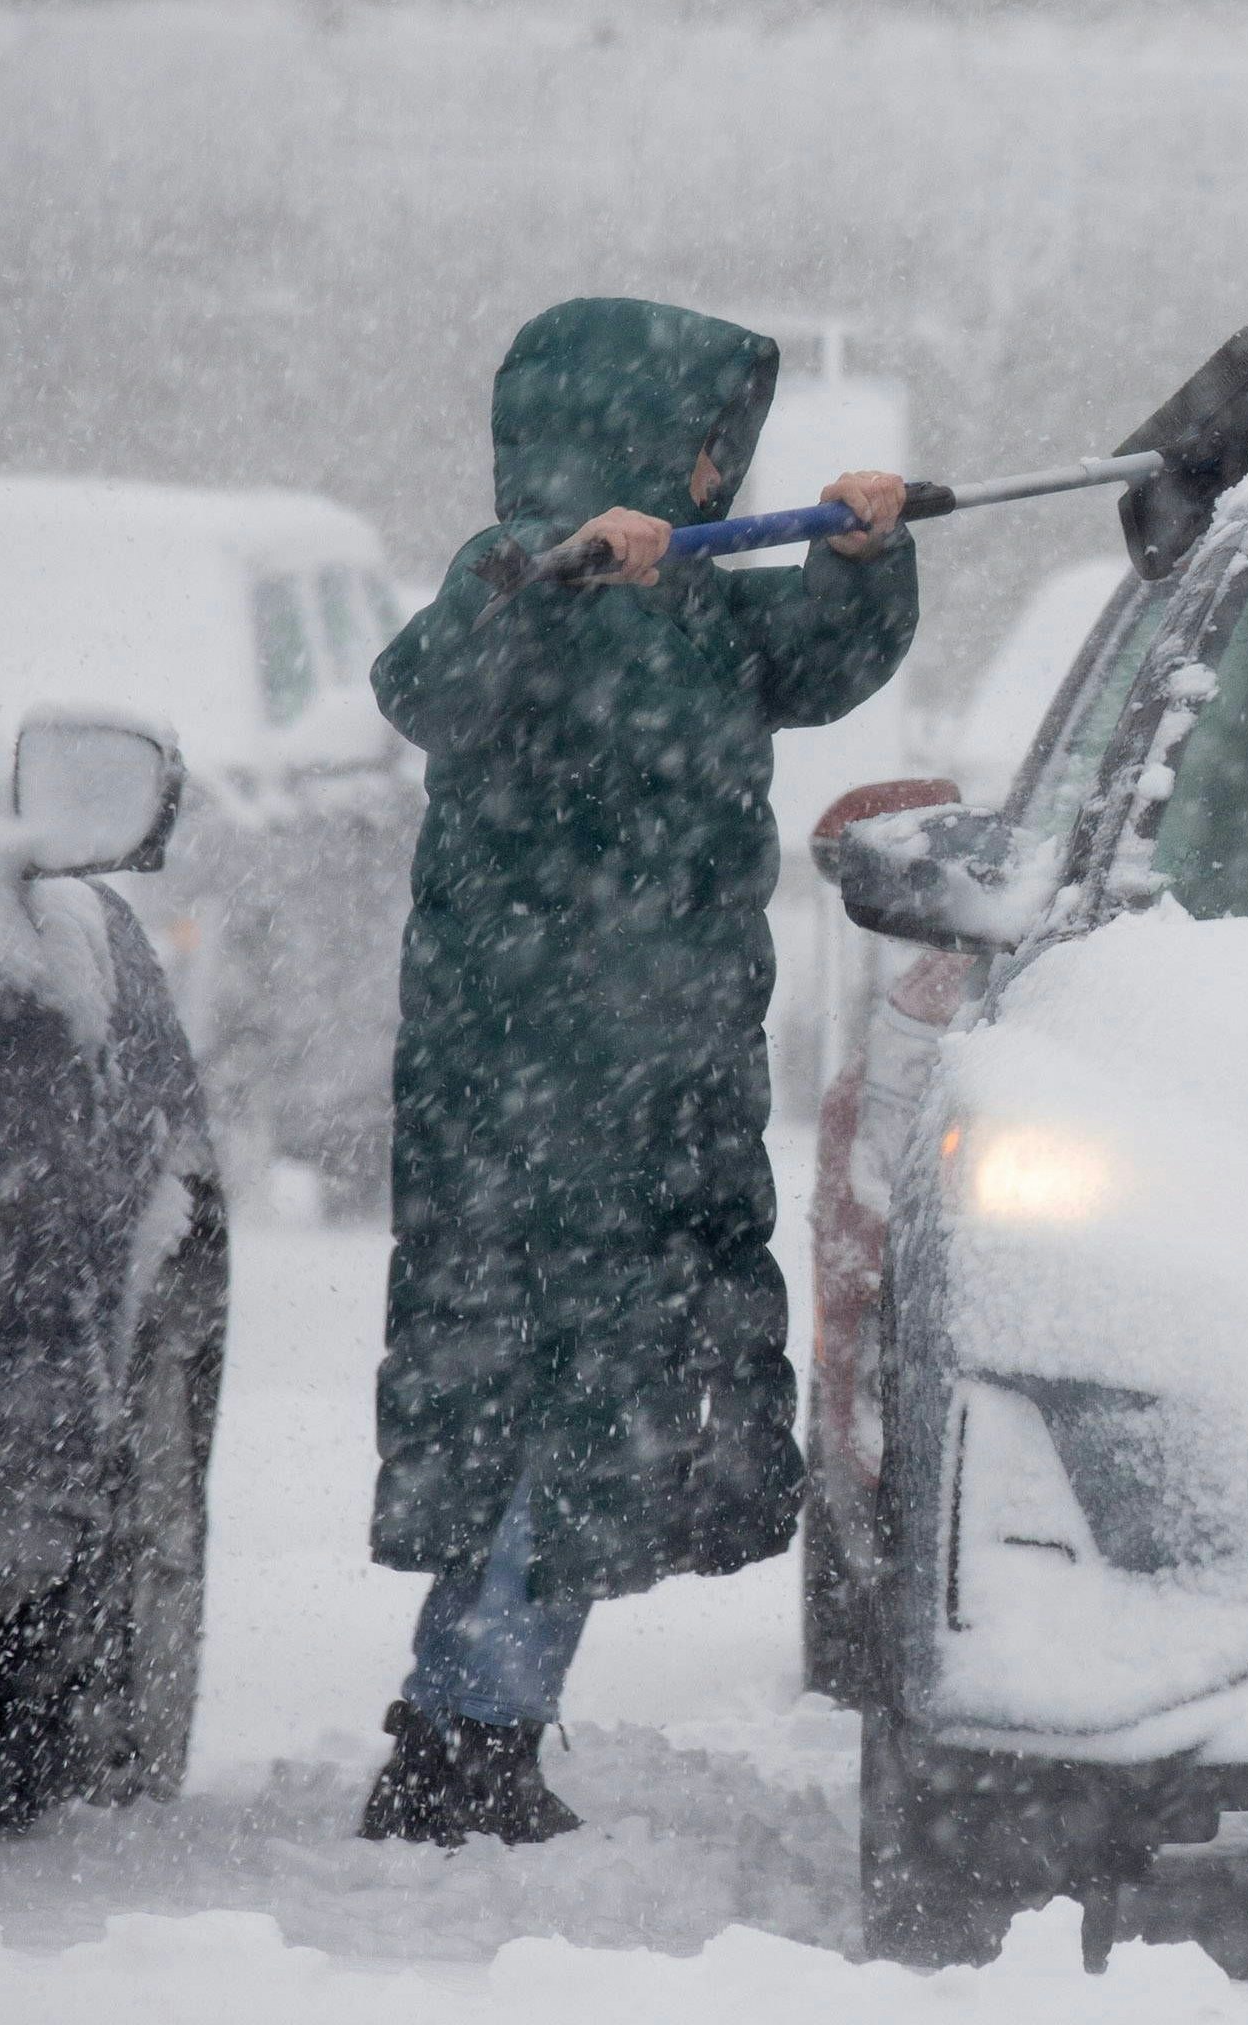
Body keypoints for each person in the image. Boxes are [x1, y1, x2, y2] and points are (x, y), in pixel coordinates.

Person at [355, 298, 917, 1844]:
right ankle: (461, 1730)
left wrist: (862, 554)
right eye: (702, 444)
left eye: (725, 449)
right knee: (544, 1405)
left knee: (607, 1410)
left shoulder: (703, 604)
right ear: (623, 441)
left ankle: (471, 1722)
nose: (718, 472)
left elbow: (822, 658)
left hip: (666, 1087)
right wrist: (552, 572)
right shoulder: (512, 579)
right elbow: (422, 684)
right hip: (528, 1095)